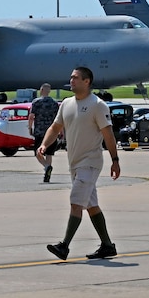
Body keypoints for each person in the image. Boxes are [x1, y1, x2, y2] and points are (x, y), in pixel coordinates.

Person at [38, 67, 121, 261]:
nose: (71, 80)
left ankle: (64, 246)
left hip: (90, 162)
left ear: (87, 81)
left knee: (76, 202)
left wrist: (115, 160)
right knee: (91, 205)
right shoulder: (66, 103)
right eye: (71, 77)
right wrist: (44, 145)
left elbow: (108, 134)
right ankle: (107, 245)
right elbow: (55, 127)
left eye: (75, 78)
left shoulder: (97, 105)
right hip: (74, 163)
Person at [28, 83, 60, 182]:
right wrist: (60, 131)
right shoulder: (54, 103)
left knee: (38, 152)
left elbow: (31, 116)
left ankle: (46, 167)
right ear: (49, 91)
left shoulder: (36, 102)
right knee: (49, 153)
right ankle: (47, 173)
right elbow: (59, 118)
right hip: (52, 131)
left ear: (41, 90)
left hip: (40, 131)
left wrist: (30, 127)